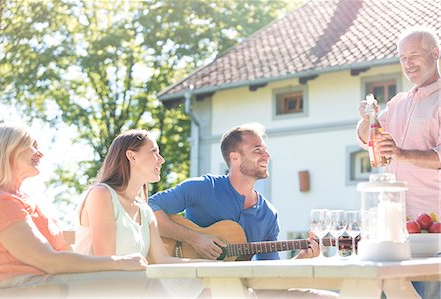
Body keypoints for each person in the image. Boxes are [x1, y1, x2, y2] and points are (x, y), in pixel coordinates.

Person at [0, 123, 193, 298]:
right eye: (32, 146)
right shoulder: (0, 202)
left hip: (49, 281)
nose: (41, 153)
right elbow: (48, 260)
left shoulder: (22, 200)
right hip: (25, 286)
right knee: (142, 282)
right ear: (9, 150)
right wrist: (119, 262)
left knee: (166, 282)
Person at [149, 122, 338, 298]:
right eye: (258, 150)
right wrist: (194, 238)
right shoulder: (202, 187)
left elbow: (270, 281)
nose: (267, 156)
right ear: (235, 157)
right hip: (190, 288)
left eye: (266, 150)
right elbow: (149, 208)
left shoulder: (269, 215)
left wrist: (299, 260)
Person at [357, 26, 440, 299]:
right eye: (403, 58)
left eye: (414, 55)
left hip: (434, 228)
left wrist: (402, 153)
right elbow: (368, 139)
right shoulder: (399, 102)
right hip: (395, 228)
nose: (408, 64)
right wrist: (368, 119)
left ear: (435, 53)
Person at [74, 129, 204, 298]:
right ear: (132, 156)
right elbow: (105, 260)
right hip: (99, 288)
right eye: (154, 152)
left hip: (134, 285)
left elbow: (162, 260)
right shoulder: (102, 195)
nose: (161, 160)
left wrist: (215, 266)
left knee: (205, 281)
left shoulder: (145, 209)